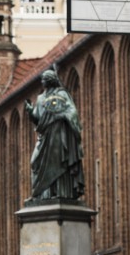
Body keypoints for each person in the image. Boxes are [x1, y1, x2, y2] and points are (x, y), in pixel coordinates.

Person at [24, 66, 86, 201]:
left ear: (50, 80)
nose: (42, 82)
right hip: (45, 136)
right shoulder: (40, 98)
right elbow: (38, 118)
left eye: (44, 79)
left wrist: (64, 115)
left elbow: (72, 111)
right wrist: (30, 113)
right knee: (35, 162)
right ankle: (41, 194)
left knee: (58, 163)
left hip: (58, 134)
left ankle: (59, 192)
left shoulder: (62, 95)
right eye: (42, 79)